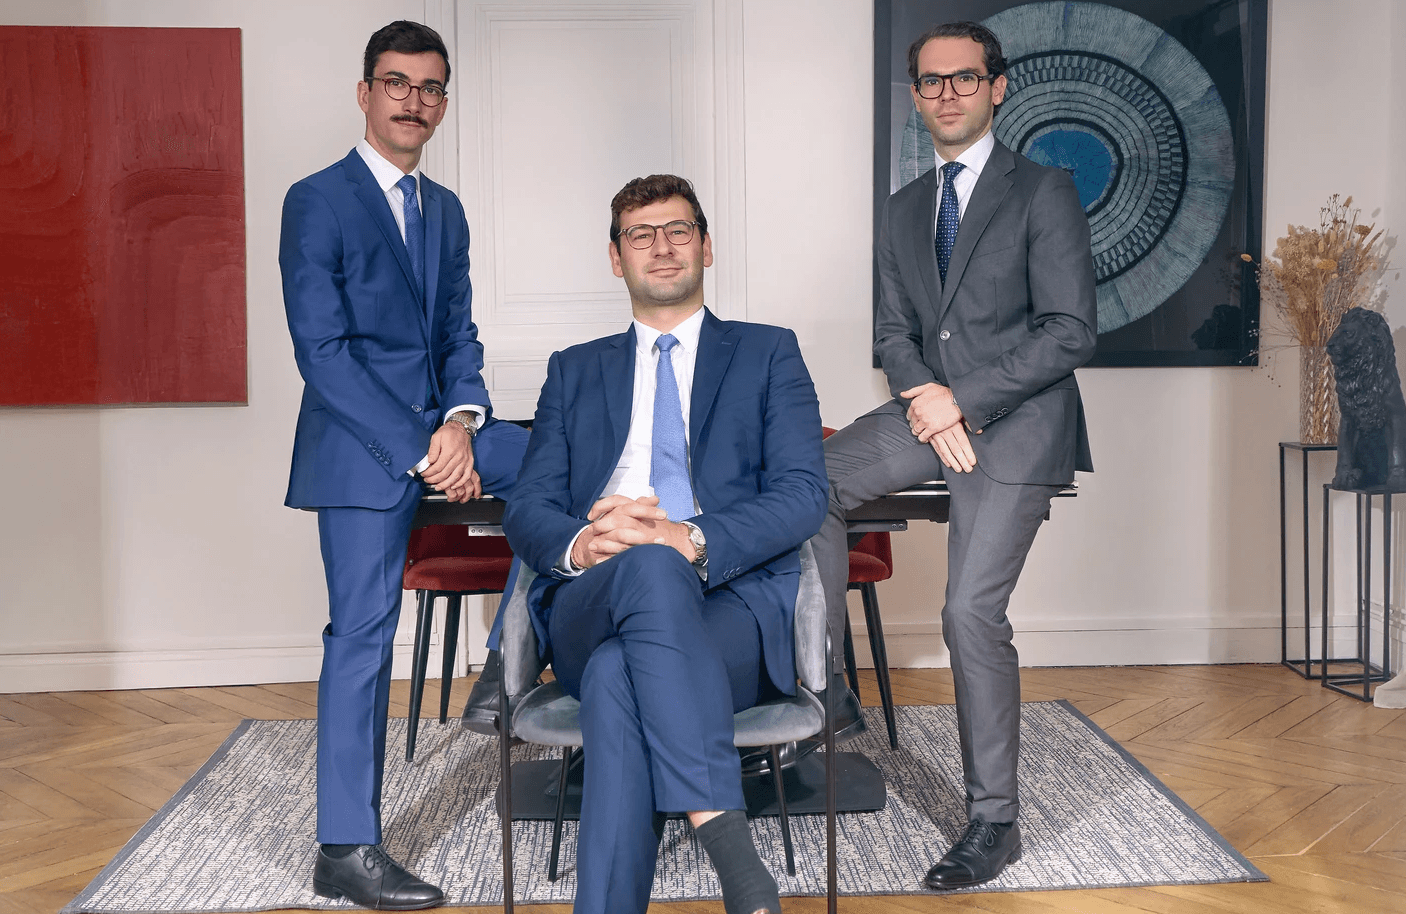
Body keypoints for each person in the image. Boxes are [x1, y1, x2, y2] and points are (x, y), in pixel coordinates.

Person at [810, 20, 1097, 889]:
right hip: (929, 410)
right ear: (916, 96)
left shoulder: (1044, 189)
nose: (947, 94)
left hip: (1017, 421)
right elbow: (895, 332)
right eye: (931, 82)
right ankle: (826, 686)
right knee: (807, 482)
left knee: (969, 614)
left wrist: (960, 400)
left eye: (964, 79)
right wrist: (929, 405)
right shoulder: (903, 209)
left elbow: (1070, 331)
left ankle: (993, 823)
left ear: (996, 86)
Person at [501, 174, 827, 914]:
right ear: (616, 259)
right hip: (597, 597)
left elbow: (804, 494)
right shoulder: (573, 370)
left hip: (731, 610)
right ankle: (731, 851)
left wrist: (691, 537)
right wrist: (584, 544)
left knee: (620, 679)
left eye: (678, 230)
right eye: (640, 235)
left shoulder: (769, 354)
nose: (661, 247)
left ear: (706, 246)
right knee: (642, 571)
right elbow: (529, 506)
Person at [279, 20, 528, 911]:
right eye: (397, 84)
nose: (413, 102)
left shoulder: (446, 209)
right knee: (361, 637)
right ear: (365, 92)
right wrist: (427, 446)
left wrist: (462, 418)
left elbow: (459, 333)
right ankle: (345, 847)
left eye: (430, 89)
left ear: (443, 103)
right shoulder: (317, 200)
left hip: (442, 429)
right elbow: (323, 352)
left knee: (562, 460)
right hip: (357, 449)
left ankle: (509, 658)